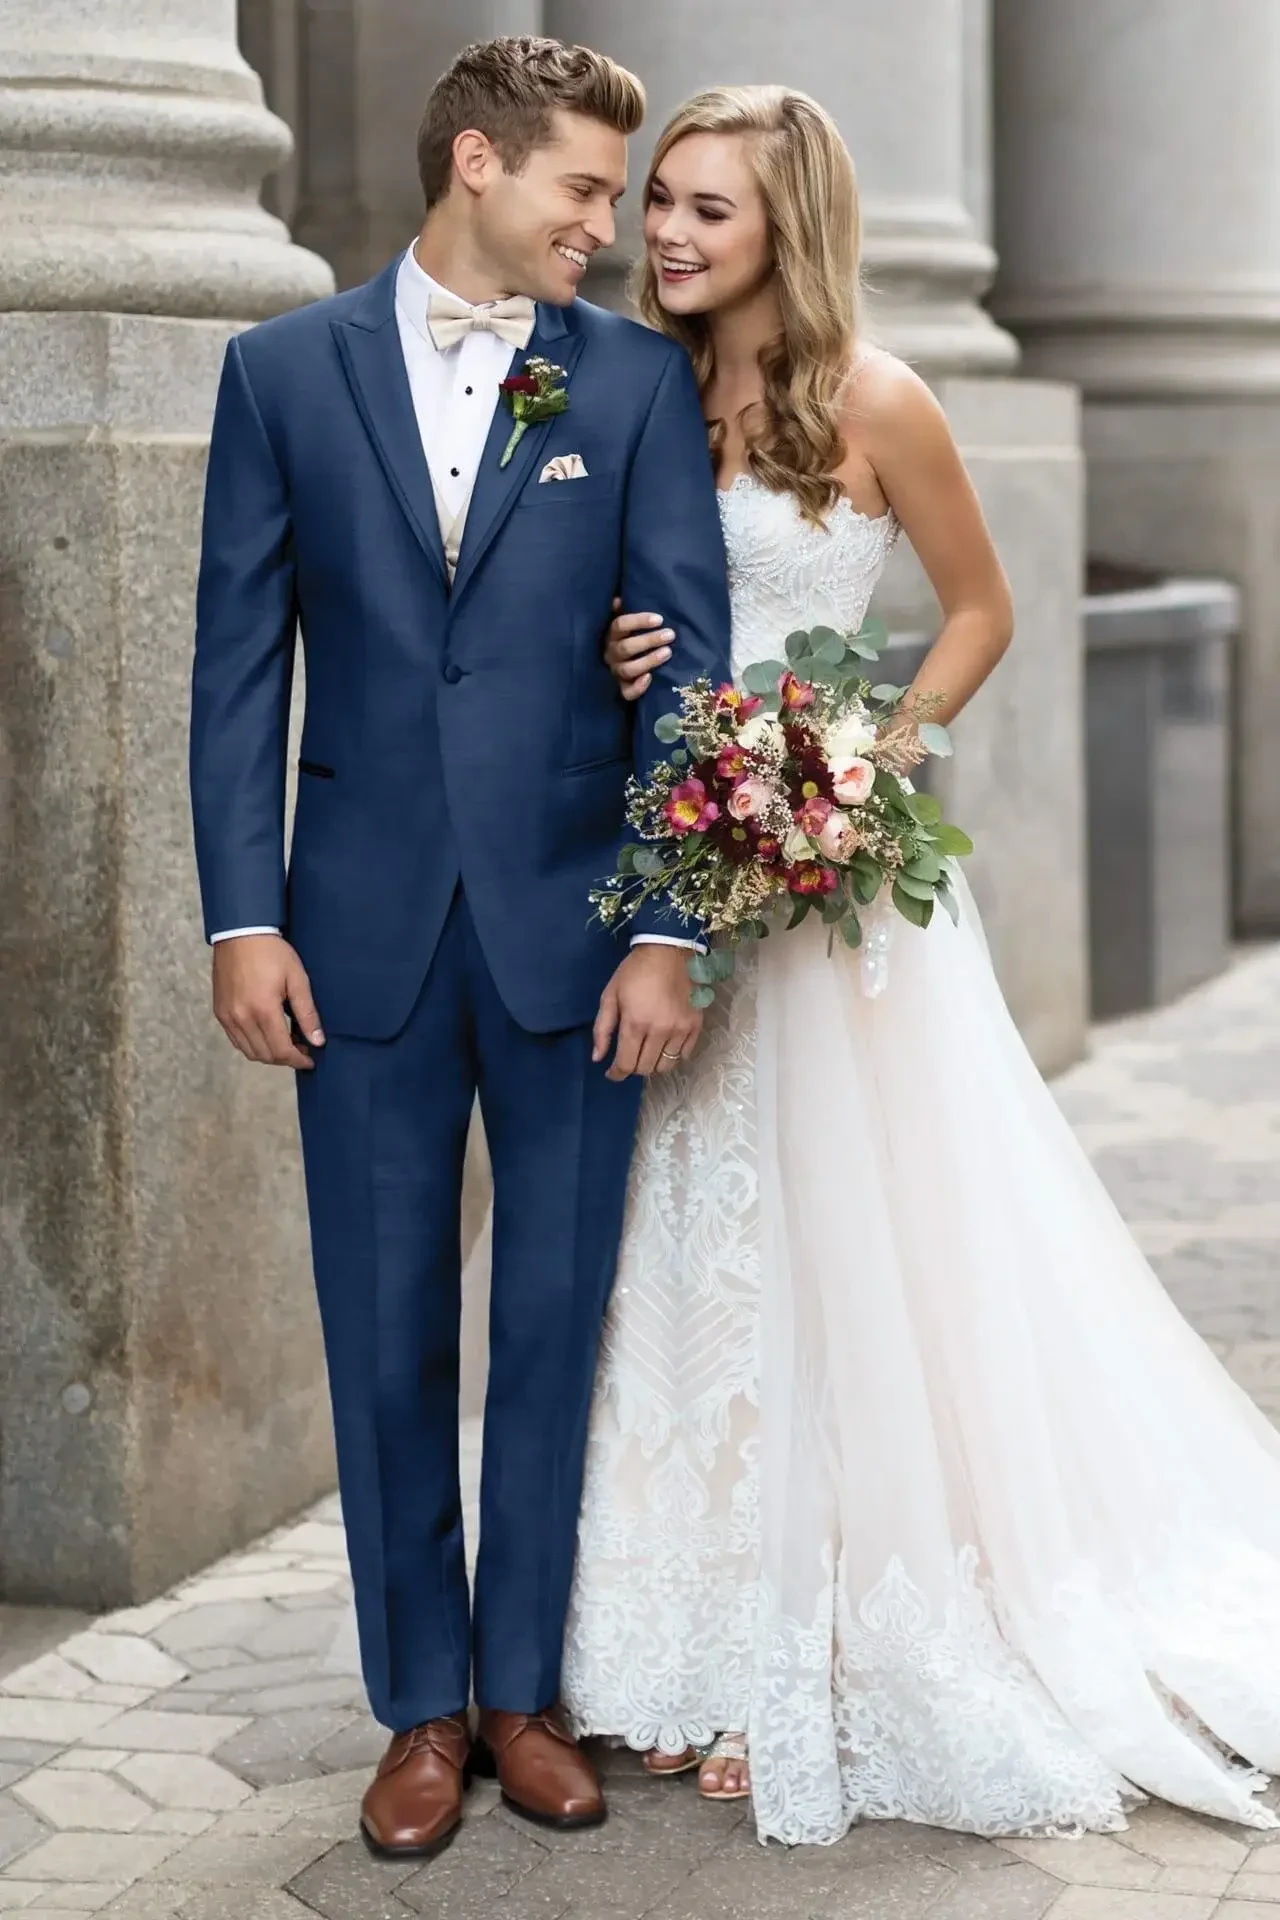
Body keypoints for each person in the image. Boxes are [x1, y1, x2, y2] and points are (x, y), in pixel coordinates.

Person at [559, 83, 1280, 1847]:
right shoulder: (622, 383)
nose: (668, 235)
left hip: (821, 889)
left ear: (788, 227)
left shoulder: (876, 396)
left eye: (711, 213)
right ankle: (678, 1619)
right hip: (659, 855)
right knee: (691, 1242)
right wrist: (600, 645)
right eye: (661, 201)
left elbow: (979, 609)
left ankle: (816, 1640)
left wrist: (865, 756)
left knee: (851, 1251)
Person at [189, 36, 730, 1863]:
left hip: (576, 929)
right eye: (584, 187)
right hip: (349, 935)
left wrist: (667, 925)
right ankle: (421, 1704)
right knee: (384, 1324)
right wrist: (240, 912)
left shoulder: (633, 387)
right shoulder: (277, 373)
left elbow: (694, 671)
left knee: (556, 1324)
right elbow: (237, 668)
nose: (612, 225)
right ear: (478, 163)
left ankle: (524, 1694)